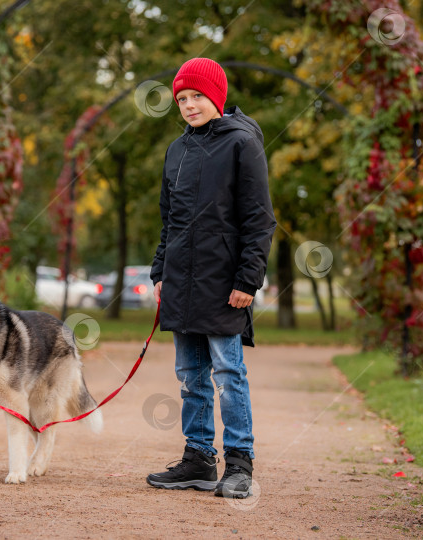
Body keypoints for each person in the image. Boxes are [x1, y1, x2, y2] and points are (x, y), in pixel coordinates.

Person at [146, 57, 276, 499]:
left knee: (227, 371)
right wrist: (160, 271)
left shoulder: (243, 144)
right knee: (190, 373)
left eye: (197, 95)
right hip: (181, 280)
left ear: (216, 96)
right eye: (181, 98)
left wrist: (248, 279)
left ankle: (239, 463)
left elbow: (260, 221)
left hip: (225, 283)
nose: (189, 104)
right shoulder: (176, 150)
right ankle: (198, 458)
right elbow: (170, 221)